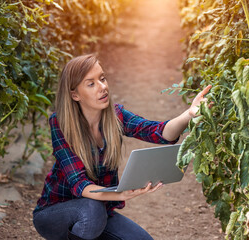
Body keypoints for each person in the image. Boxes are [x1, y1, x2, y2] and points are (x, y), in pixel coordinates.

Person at [32, 54, 212, 240]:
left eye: (102, 79)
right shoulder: (61, 123)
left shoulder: (116, 116)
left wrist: (189, 114)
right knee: (92, 211)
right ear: (75, 94)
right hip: (55, 214)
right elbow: (80, 185)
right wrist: (120, 194)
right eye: (91, 83)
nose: (102, 87)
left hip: (98, 213)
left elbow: (158, 132)